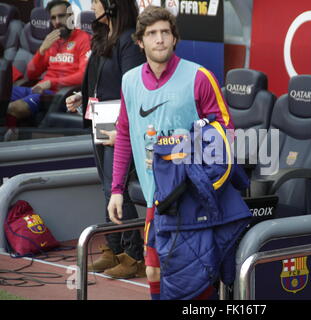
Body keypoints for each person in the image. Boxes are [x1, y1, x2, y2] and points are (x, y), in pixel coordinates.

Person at [107, 6, 243, 299]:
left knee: (199, 275)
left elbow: (226, 134)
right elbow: (124, 137)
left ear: (174, 38)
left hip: (193, 198)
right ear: (140, 41)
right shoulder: (129, 81)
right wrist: (117, 189)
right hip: (158, 197)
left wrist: (191, 156)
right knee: (153, 270)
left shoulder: (200, 77)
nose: (159, 39)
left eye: (165, 33)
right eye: (152, 34)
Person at [66, 0, 147, 279]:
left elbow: (132, 89)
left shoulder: (128, 40)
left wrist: (122, 131)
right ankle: (112, 249)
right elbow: (100, 80)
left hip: (119, 129)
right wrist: (81, 95)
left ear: (113, 5)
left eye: (96, 1)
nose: (91, 5)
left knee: (119, 190)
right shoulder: (102, 36)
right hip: (99, 121)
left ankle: (133, 254)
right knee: (107, 189)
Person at [6, 0, 91, 128]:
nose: (57, 21)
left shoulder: (83, 39)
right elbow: (31, 73)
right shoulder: (52, 40)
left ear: (71, 16)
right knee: (3, 93)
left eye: (61, 16)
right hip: (39, 90)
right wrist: (41, 50)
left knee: (15, 108)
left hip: (59, 95)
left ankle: (9, 139)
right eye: (53, 18)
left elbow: (83, 75)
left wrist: (52, 83)